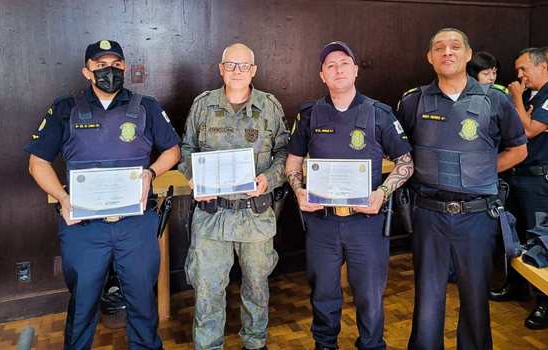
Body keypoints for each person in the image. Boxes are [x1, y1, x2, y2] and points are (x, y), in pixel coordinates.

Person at [24, 39, 181, 350]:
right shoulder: (65, 109)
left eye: (116, 64)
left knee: (142, 303)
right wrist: (63, 198)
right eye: (101, 65)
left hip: (135, 225)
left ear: (124, 67)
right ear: (87, 71)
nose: (110, 70)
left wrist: (151, 172)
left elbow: (173, 150)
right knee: (82, 305)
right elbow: (37, 162)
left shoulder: (146, 106)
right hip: (84, 228)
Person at [396, 28, 527, 349]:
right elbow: (402, 152)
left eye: (455, 47)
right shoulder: (413, 101)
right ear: (430, 57)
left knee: (475, 298)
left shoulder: (495, 99)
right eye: (439, 48)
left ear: (468, 54)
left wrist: (480, 170)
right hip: (428, 215)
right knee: (427, 297)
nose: (447, 52)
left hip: (477, 217)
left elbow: (518, 150)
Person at [286, 41, 414, 350]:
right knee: (323, 292)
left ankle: (371, 344)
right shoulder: (309, 114)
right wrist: (298, 189)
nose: (338, 69)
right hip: (322, 222)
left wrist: (382, 192)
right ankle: (325, 344)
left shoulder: (379, 113)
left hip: (366, 223)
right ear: (322, 75)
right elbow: (293, 161)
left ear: (355, 70)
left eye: (344, 63)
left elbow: (406, 163)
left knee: (369, 294)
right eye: (330, 65)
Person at [178, 43, 289, 350]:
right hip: (211, 215)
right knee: (208, 290)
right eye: (231, 65)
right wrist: (195, 178)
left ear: (253, 70)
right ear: (221, 68)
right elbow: (186, 148)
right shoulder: (203, 105)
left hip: (255, 215)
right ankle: (209, 345)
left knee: (256, 288)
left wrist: (269, 178)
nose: (237, 71)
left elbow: (284, 152)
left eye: (244, 66)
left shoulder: (269, 106)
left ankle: (255, 343)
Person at [506, 47, 548, 330]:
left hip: (538, 180)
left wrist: (517, 100)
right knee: (517, 236)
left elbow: (530, 129)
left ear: (543, 66)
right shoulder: (532, 95)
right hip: (518, 176)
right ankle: (518, 287)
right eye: (517, 70)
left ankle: (545, 304)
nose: (519, 75)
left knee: (540, 240)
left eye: (524, 69)